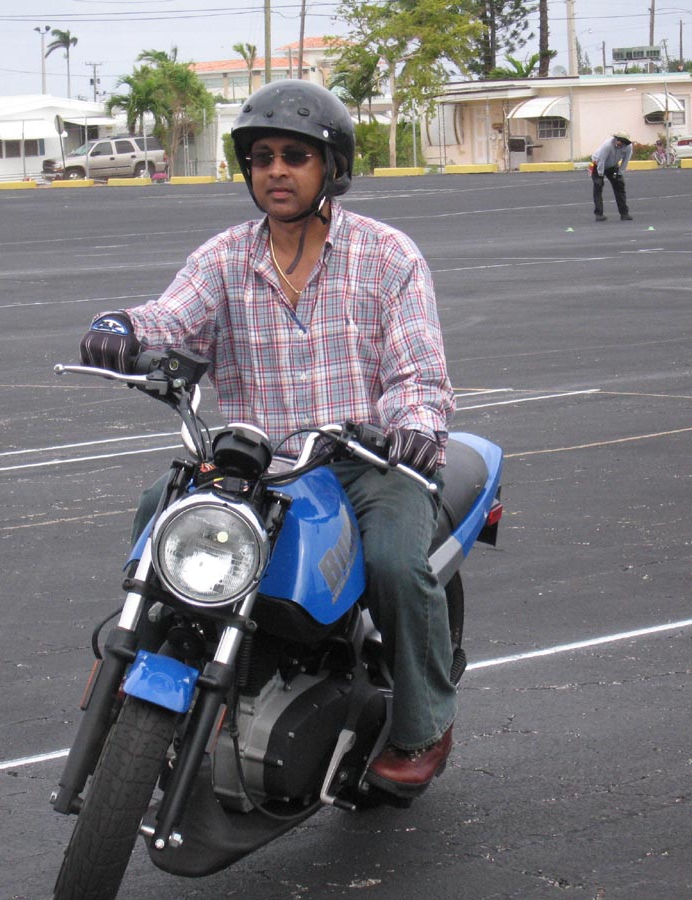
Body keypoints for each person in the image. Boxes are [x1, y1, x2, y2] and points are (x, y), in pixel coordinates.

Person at [78, 80, 457, 796]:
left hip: (365, 462)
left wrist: (411, 430)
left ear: (331, 167)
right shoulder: (225, 257)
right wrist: (120, 327)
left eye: (294, 156)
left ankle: (424, 724)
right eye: (262, 157)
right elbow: (171, 316)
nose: (276, 171)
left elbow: (418, 372)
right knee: (159, 509)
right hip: (264, 462)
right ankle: (137, 645)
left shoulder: (387, 256)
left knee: (395, 565)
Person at [590, 131, 634, 222]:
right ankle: (599, 214)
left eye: (623, 142)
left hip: (613, 167)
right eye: (619, 140)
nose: (620, 143)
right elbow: (601, 160)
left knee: (619, 185)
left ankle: (624, 214)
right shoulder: (607, 145)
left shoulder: (628, 147)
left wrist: (619, 173)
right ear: (615, 139)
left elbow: (625, 161)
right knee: (598, 185)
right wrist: (600, 175)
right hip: (597, 165)